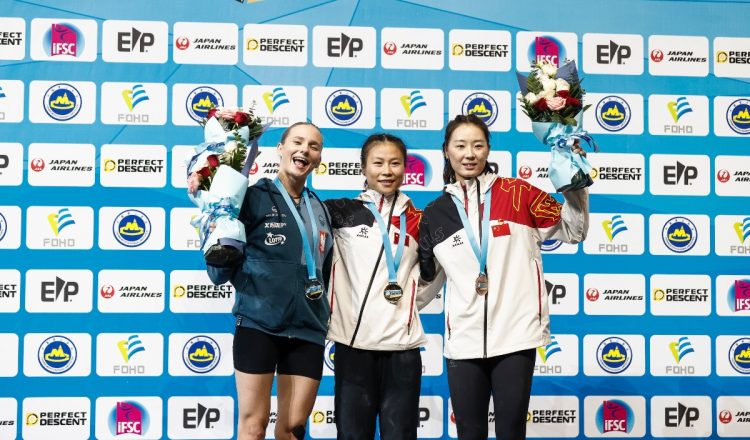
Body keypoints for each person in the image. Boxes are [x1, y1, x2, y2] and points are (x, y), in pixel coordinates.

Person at [418, 114, 589, 440]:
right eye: (461, 145)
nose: (469, 154)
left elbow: (574, 229)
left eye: (477, 145)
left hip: (516, 337)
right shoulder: (436, 214)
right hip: (464, 343)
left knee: (511, 432)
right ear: (446, 151)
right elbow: (425, 287)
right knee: (469, 433)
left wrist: (574, 182)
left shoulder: (519, 193)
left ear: (488, 150)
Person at [204, 122, 333, 440]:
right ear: (281, 148)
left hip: (307, 329)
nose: (304, 149)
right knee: (253, 425)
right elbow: (219, 267)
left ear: (318, 158)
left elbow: (325, 268)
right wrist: (219, 257)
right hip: (259, 324)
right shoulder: (251, 196)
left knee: (291, 429)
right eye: (298, 142)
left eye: (313, 146)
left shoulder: (320, 208)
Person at [324, 134, 443, 440]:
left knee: (401, 435)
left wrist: (406, 306)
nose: (387, 171)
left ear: (405, 168)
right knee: (351, 435)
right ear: (363, 168)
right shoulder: (339, 212)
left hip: (401, 351)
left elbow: (432, 275)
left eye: (395, 163)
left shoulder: (421, 219)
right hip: (353, 347)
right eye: (378, 163)